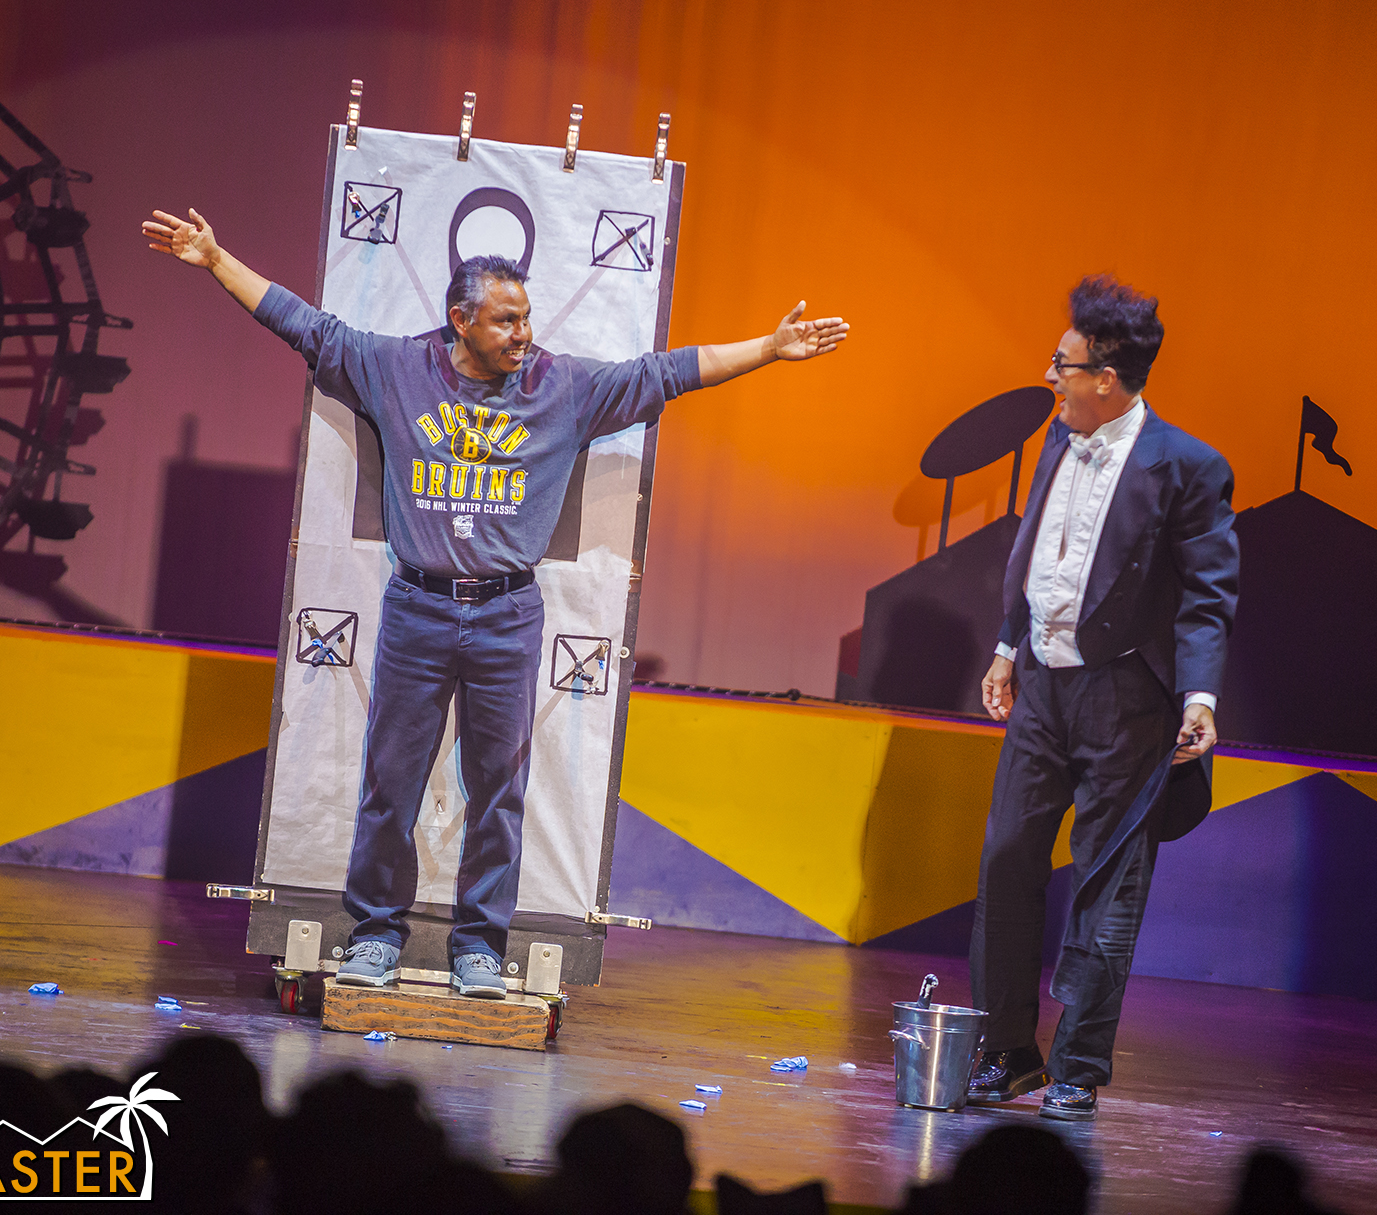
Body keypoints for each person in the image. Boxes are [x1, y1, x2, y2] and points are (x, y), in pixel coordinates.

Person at [142, 207, 848, 999]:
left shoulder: (562, 388)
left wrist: (769, 349)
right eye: (506, 320)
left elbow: (667, 373)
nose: (523, 333)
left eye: (527, 317)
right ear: (461, 319)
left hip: (508, 617)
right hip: (418, 609)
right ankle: (375, 933)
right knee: (390, 786)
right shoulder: (398, 370)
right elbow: (306, 327)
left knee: (500, 794)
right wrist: (216, 260)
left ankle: (479, 946)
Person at [968, 274, 1237, 1121]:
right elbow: (1040, 552)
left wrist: (1199, 697)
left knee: (1107, 880)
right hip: (1043, 685)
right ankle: (1007, 1052)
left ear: (1106, 380)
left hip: (1126, 698)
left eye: (1063, 365)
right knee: (1008, 858)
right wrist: (1008, 645)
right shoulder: (1060, 437)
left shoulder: (1186, 466)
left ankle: (1078, 1067)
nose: (1050, 377)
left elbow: (1207, 596)